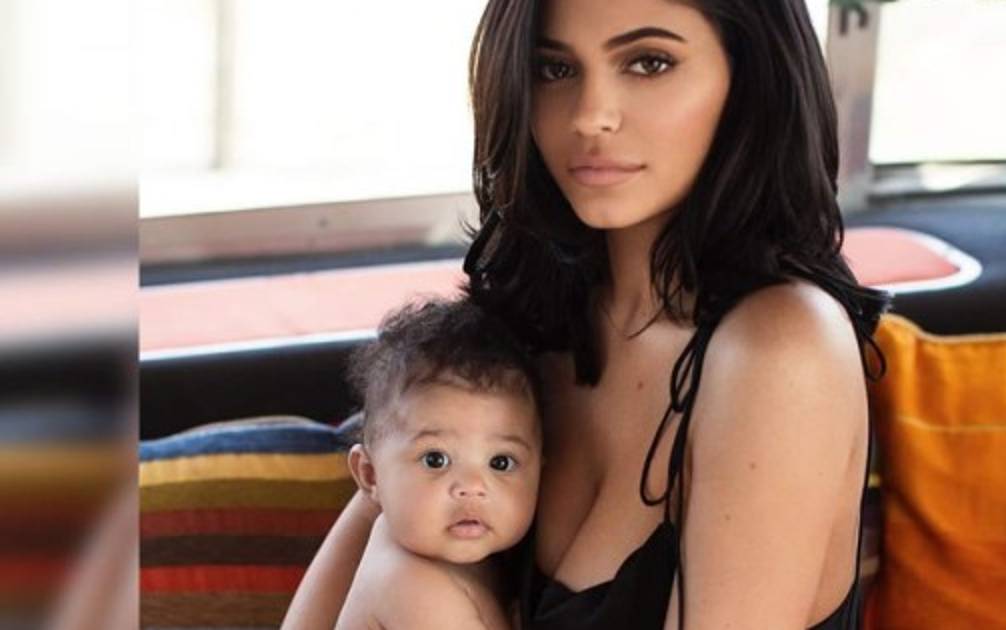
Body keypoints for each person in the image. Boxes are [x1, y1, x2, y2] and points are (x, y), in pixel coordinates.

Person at [289, 0, 891, 628]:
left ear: (750, 77)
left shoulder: (781, 349)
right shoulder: (522, 328)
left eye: (649, 63)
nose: (589, 116)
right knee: (399, 562)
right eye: (554, 70)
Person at [285, 300, 543, 629]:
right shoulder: (413, 585)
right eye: (436, 459)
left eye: (501, 462)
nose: (472, 487)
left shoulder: (479, 560)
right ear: (370, 475)